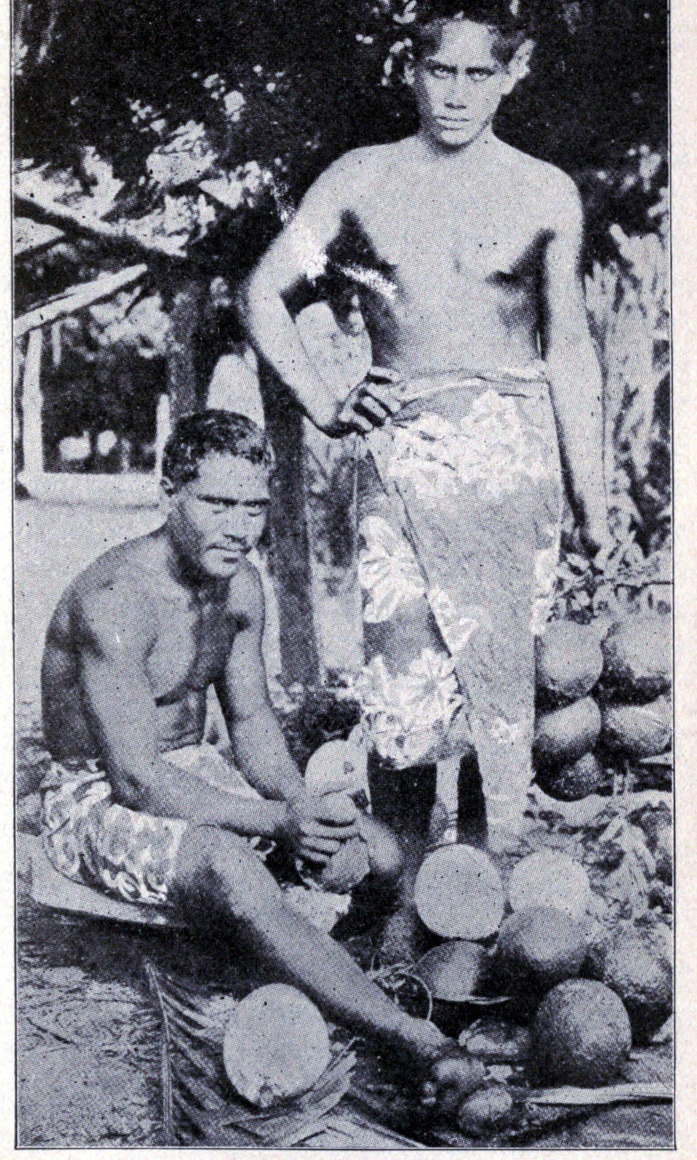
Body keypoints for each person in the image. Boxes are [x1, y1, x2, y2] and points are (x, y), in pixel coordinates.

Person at [240, 0, 611, 856]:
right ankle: (399, 885)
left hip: (511, 468)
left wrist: (592, 504)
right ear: (409, 69)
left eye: (477, 73)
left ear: (512, 76)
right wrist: (327, 403)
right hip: (400, 454)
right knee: (401, 691)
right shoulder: (361, 178)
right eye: (437, 68)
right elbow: (264, 293)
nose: (454, 92)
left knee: (499, 684)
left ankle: (471, 894)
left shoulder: (543, 192)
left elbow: (569, 350)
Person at [39, 409, 481, 1113]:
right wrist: (276, 821)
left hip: (192, 772)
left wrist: (303, 805)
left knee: (379, 854)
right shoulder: (114, 599)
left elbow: (250, 726)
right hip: (94, 796)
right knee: (225, 865)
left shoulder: (239, 587)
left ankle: (317, 962)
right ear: (167, 492)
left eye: (253, 507)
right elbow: (134, 778)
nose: (239, 526)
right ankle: (402, 1035)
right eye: (217, 503)